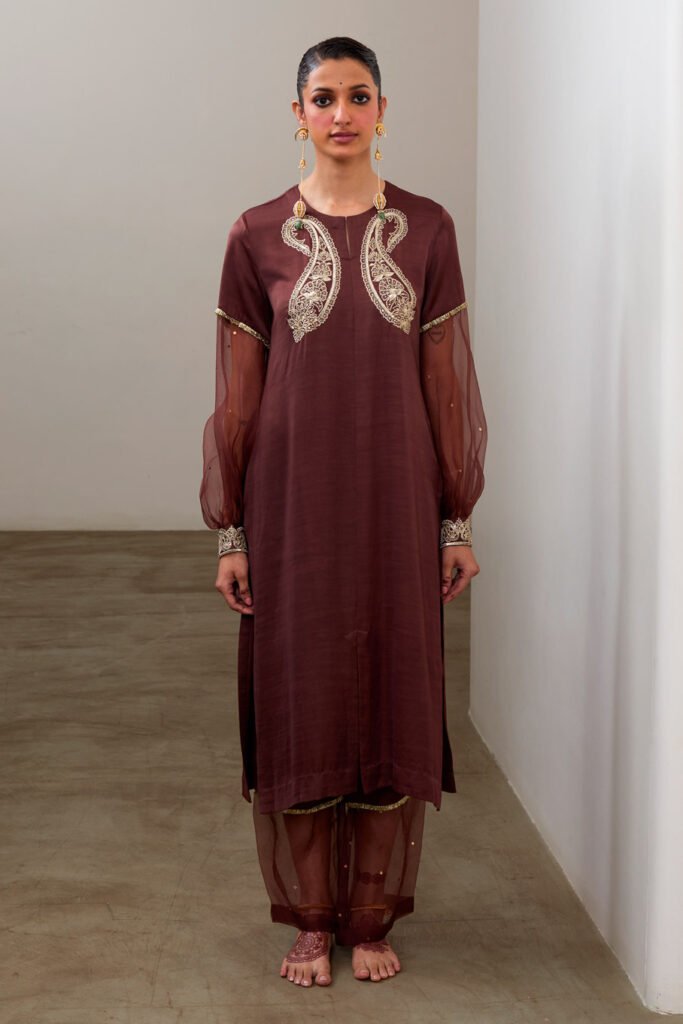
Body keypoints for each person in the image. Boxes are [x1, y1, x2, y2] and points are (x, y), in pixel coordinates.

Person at [199, 35, 488, 988]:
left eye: (358, 96)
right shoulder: (254, 235)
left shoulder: (428, 229)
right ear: (297, 115)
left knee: (392, 690)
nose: (340, 114)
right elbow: (237, 396)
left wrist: (454, 517)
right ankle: (310, 921)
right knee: (304, 695)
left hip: (396, 502)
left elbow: (446, 384)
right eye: (322, 98)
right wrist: (232, 532)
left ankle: (369, 919)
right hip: (291, 506)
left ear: (381, 110)